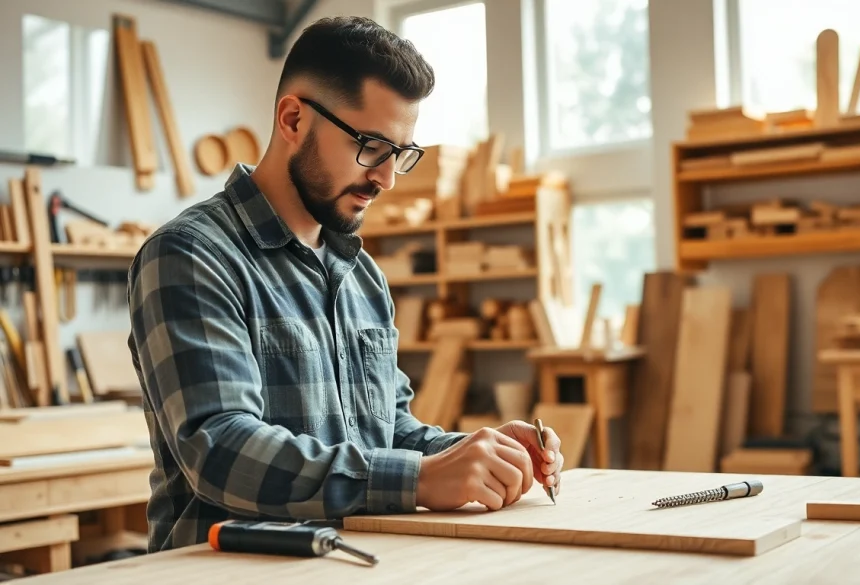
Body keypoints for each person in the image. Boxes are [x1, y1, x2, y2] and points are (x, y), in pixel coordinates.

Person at [126, 15, 563, 553]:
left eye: (400, 154)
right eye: (371, 146)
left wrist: (482, 454)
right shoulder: (190, 256)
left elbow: (388, 432)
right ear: (292, 119)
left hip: (351, 560)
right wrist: (422, 480)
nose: (386, 178)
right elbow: (220, 453)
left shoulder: (361, 275)